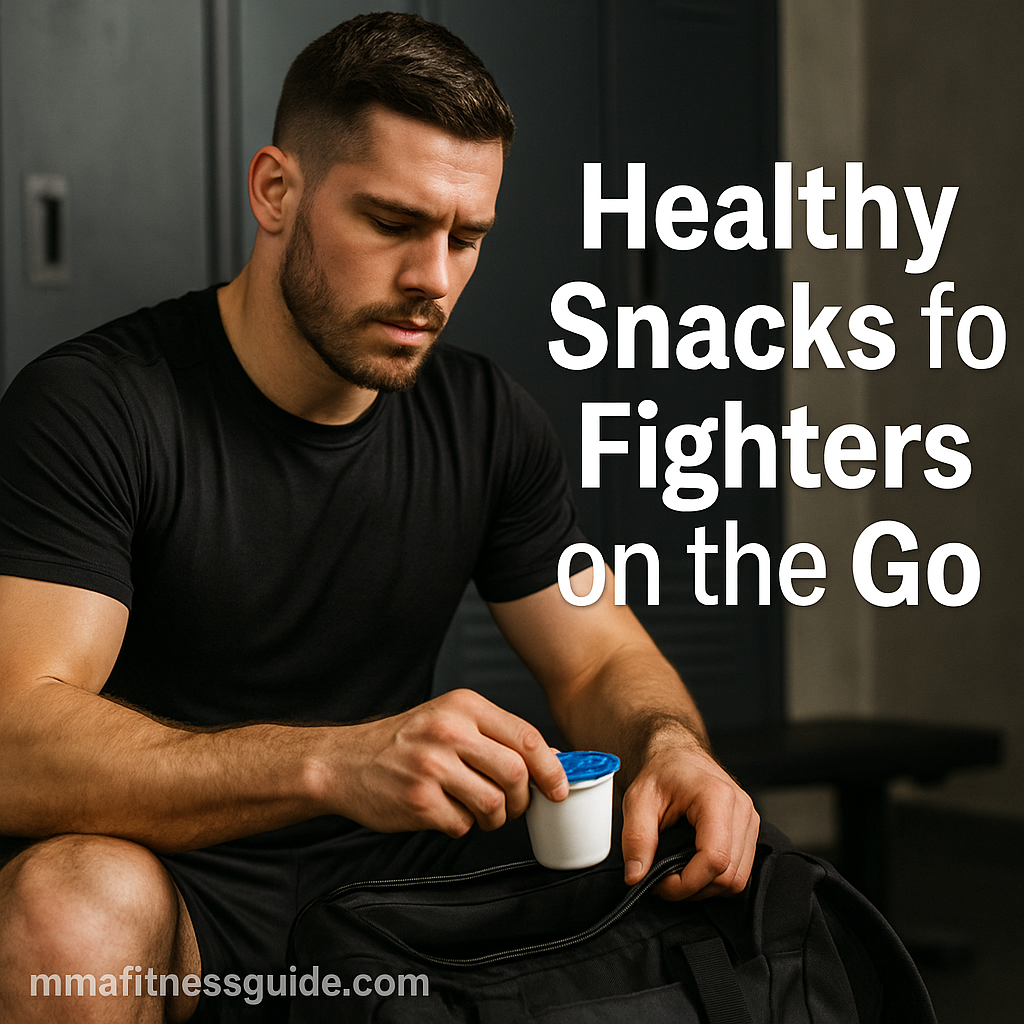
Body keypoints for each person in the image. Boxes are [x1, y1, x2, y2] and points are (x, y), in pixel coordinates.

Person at [0, 12, 758, 1023]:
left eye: (465, 238)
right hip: (178, 882)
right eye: (393, 223)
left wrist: (671, 746)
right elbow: (14, 739)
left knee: (700, 864)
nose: (432, 280)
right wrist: (331, 762)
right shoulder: (97, 407)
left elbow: (597, 660)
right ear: (277, 191)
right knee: (72, 914)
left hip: (401, 882)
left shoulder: (490, 421)